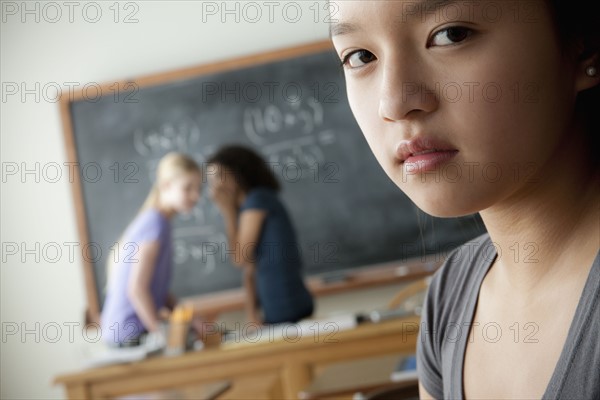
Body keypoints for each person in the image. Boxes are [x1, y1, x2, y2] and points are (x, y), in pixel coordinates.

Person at [329, 1, 599, 398]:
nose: (394, 102)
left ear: (585, 46)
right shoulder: (450, 299)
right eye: (360, 56)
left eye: (451, 34)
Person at [206, 145, 314, 325]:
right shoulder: (250, 207)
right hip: (275, 308)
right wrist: (251, 316)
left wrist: (228, 212)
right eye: (211, 181)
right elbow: (249, 269)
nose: (215, 188)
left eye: (219, 177)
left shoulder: (258, 200)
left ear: (238, 174)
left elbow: (240, 258)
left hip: (287, 305)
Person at [101, 152, 201, 346]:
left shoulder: (159, 221)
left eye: (198, 189)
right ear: (166, 186)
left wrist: (188, 318)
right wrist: (163, 336)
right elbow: (137, 289)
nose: (196, 196)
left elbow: (158, 291)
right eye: (188, 188)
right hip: (128, 336)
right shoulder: (155, 224)